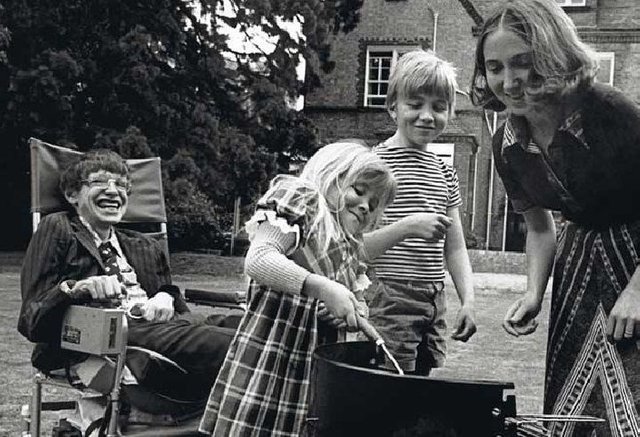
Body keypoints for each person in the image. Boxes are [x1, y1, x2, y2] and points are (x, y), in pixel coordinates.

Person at [470, 0, 640, 435]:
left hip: (635, 258)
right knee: (572, 411)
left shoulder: (611, 112)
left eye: (523, 63)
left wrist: (638, 290)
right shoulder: (505, 142)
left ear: (553, 54)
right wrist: (533, 293)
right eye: (495, 67)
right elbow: (541, 227)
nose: (509, 81)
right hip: (578, 267)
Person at [198, 141, 397, 436]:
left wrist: (348, 310)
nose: (366, 205)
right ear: (332, 173)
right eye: (359, 190)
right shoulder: (302, 201)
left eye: (375, 203)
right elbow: (259, 259)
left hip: (312, 378)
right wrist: (325, 289)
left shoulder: (348, 246)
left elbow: (348, 299)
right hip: (270, 362)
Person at [18, 149, 239, 402]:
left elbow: (175, 302)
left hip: (165, 327)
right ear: (72, 194)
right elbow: (31, 320)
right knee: (236, 344)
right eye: (100, 181)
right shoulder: (59, 227)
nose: (114, 191)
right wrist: (75, 288)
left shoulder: (142, 245)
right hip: (106, 337)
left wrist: (165, 296)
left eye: (122, 185)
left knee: (254, 328)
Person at [364, 50, 477, 376]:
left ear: (450, 112)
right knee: (388, 388)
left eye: (439, 107)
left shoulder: (445, 172)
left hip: (433, 298)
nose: (427, 116)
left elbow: (454, 246)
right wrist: (409, 225)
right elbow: (352, 245)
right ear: (392, 107)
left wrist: (468, 300)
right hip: (387, 295)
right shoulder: (372, 166)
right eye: (415, 105)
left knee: (420, 387)